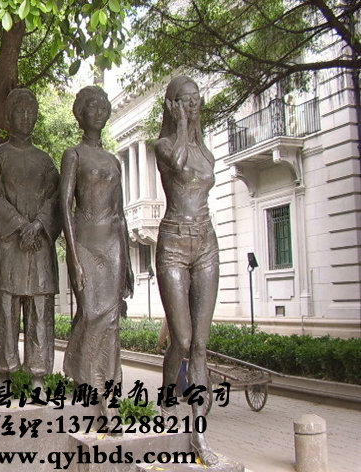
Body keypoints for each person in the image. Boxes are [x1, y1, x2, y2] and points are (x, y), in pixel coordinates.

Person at [0, 88, 61, 392]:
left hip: (39, 249)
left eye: (31, 112)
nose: (26, 117)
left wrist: (38, 225)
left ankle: (38, 377)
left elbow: (57, 199)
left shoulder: (45, 161)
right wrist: (19, 225)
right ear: (9, 117)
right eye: (20, 112)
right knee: (5, 313)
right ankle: (4, 376)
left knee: (40, 314)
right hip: (7, 248)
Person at [154, 76, 219, 466]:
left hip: (206, 242)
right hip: (174, 244)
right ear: (171, 105)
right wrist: (179, 125)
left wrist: (190, 129)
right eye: (184, 100)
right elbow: (177, 167)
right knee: (181, 338)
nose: (192, 105)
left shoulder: (204, 149)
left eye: (196, 100)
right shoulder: (165, 145)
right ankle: (166, 403)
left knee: (200, 343)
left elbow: (198, 171)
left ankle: (198, 433)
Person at [60, 85, 134, 417]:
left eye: (104, 107)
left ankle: (109, 394)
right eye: (93, 107)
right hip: (85, 243)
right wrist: (73, 257)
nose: (99, 112)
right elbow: (64, 206)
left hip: (113, 244)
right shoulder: (73, 155)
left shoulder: (114, 161)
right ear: (81, 113)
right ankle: (85, 377)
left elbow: (121, 213)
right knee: (91, 314)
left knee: (112, 319)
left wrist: (127, 261)